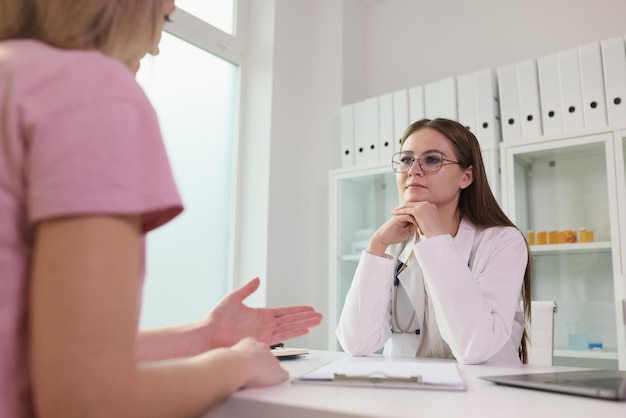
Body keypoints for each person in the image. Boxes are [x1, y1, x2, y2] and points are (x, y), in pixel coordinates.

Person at [0, 1, 322, 417]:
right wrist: (238, 363)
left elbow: (23, 345)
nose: (155, 44)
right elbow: (89, 402)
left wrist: (205, 336)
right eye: (165, 15)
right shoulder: (88, 87)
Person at [336, 118, 532, 366]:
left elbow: (475, 347)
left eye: (431, 160)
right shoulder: (395, 246)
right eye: (406, 159)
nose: (413, 170)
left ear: (466, 177)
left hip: (483, 395)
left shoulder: (502, 241)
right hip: (410, 395)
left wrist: (438, 241)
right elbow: (356, 343)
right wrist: (377, 245)